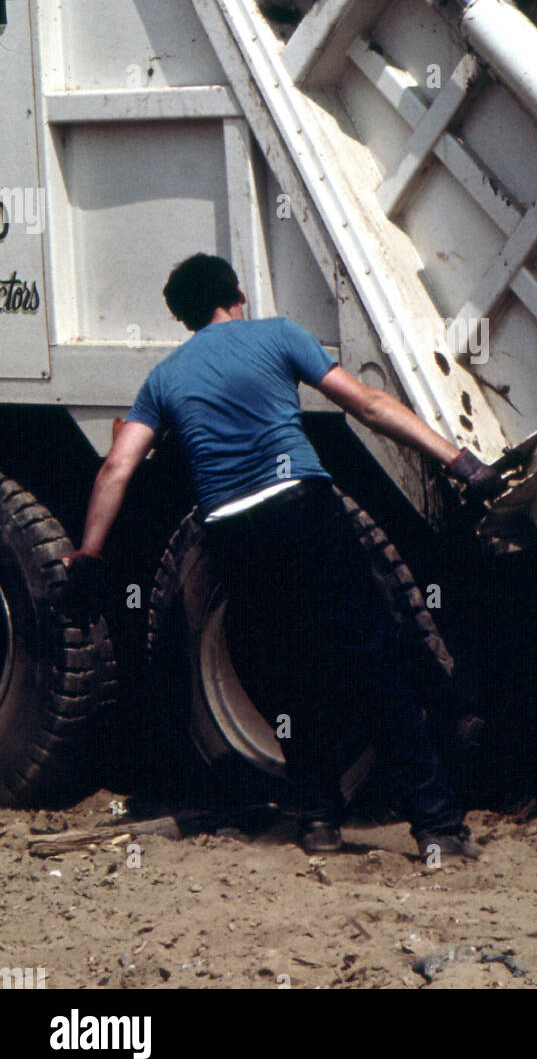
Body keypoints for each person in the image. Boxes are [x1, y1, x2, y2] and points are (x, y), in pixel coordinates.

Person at [64, 253, 504, 860]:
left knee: (288, 671)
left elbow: (118, 466)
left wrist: (88, 553)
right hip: (301, 508)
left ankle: (318, 820)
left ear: (184, 318)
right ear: (237, 294)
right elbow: (369, 405)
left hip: (231, 532)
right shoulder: (278, 334)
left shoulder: (165, 378)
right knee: (371, 659)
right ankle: (436, 826)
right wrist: (457, 459)